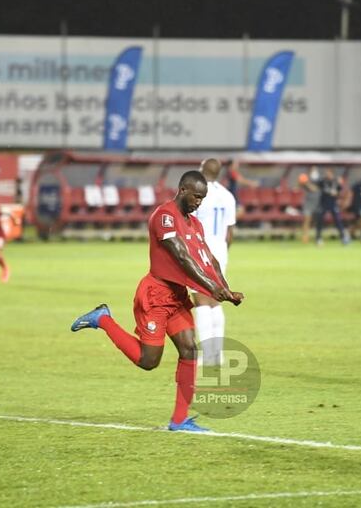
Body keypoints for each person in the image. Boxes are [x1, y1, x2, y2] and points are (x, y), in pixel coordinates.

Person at [70, 170, 244, 432]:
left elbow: (209, 259)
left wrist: (225, 289)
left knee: (189, 350)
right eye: (196, 197)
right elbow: (183, 258)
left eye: (203, 198)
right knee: (148, 361)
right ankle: (103, 319)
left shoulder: (194, 224)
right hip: (156, 295)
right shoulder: (164, 217)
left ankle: (179, 420)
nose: (199, 203)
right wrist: (211, 289)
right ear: (183, 190)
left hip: (177, 297)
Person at [192, 158, 237, 366]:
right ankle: (217, 353)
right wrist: (222, 255)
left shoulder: (198, 194)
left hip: (202, 251)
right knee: (216, 301)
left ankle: (207, 354)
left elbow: (189, 225)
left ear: (202, 171)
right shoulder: (228, 196)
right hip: (220, 251)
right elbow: (230, 232)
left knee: (201, 300)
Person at [315, 168, 349, 246]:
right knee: (320, 219)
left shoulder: (336, 182)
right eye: (327, 173)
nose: (328, 175)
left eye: (329, 173)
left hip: (333, 204)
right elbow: (316, 184)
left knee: (338, 220)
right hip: (323, 203)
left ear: (332, 174)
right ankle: (318, 238)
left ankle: (343, 237)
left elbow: (341, 192)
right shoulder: (322, 181)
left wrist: (338, 189)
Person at [298, 167, 320, 243]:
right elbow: (298, 186)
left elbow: (314, 189)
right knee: (307, 219)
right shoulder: (305, 178)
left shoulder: (319, 180)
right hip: (308, 203)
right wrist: (302, 181)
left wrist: (306, 182)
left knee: (316, 220)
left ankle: (318, 237)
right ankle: (305, 236)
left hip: (317, 202)